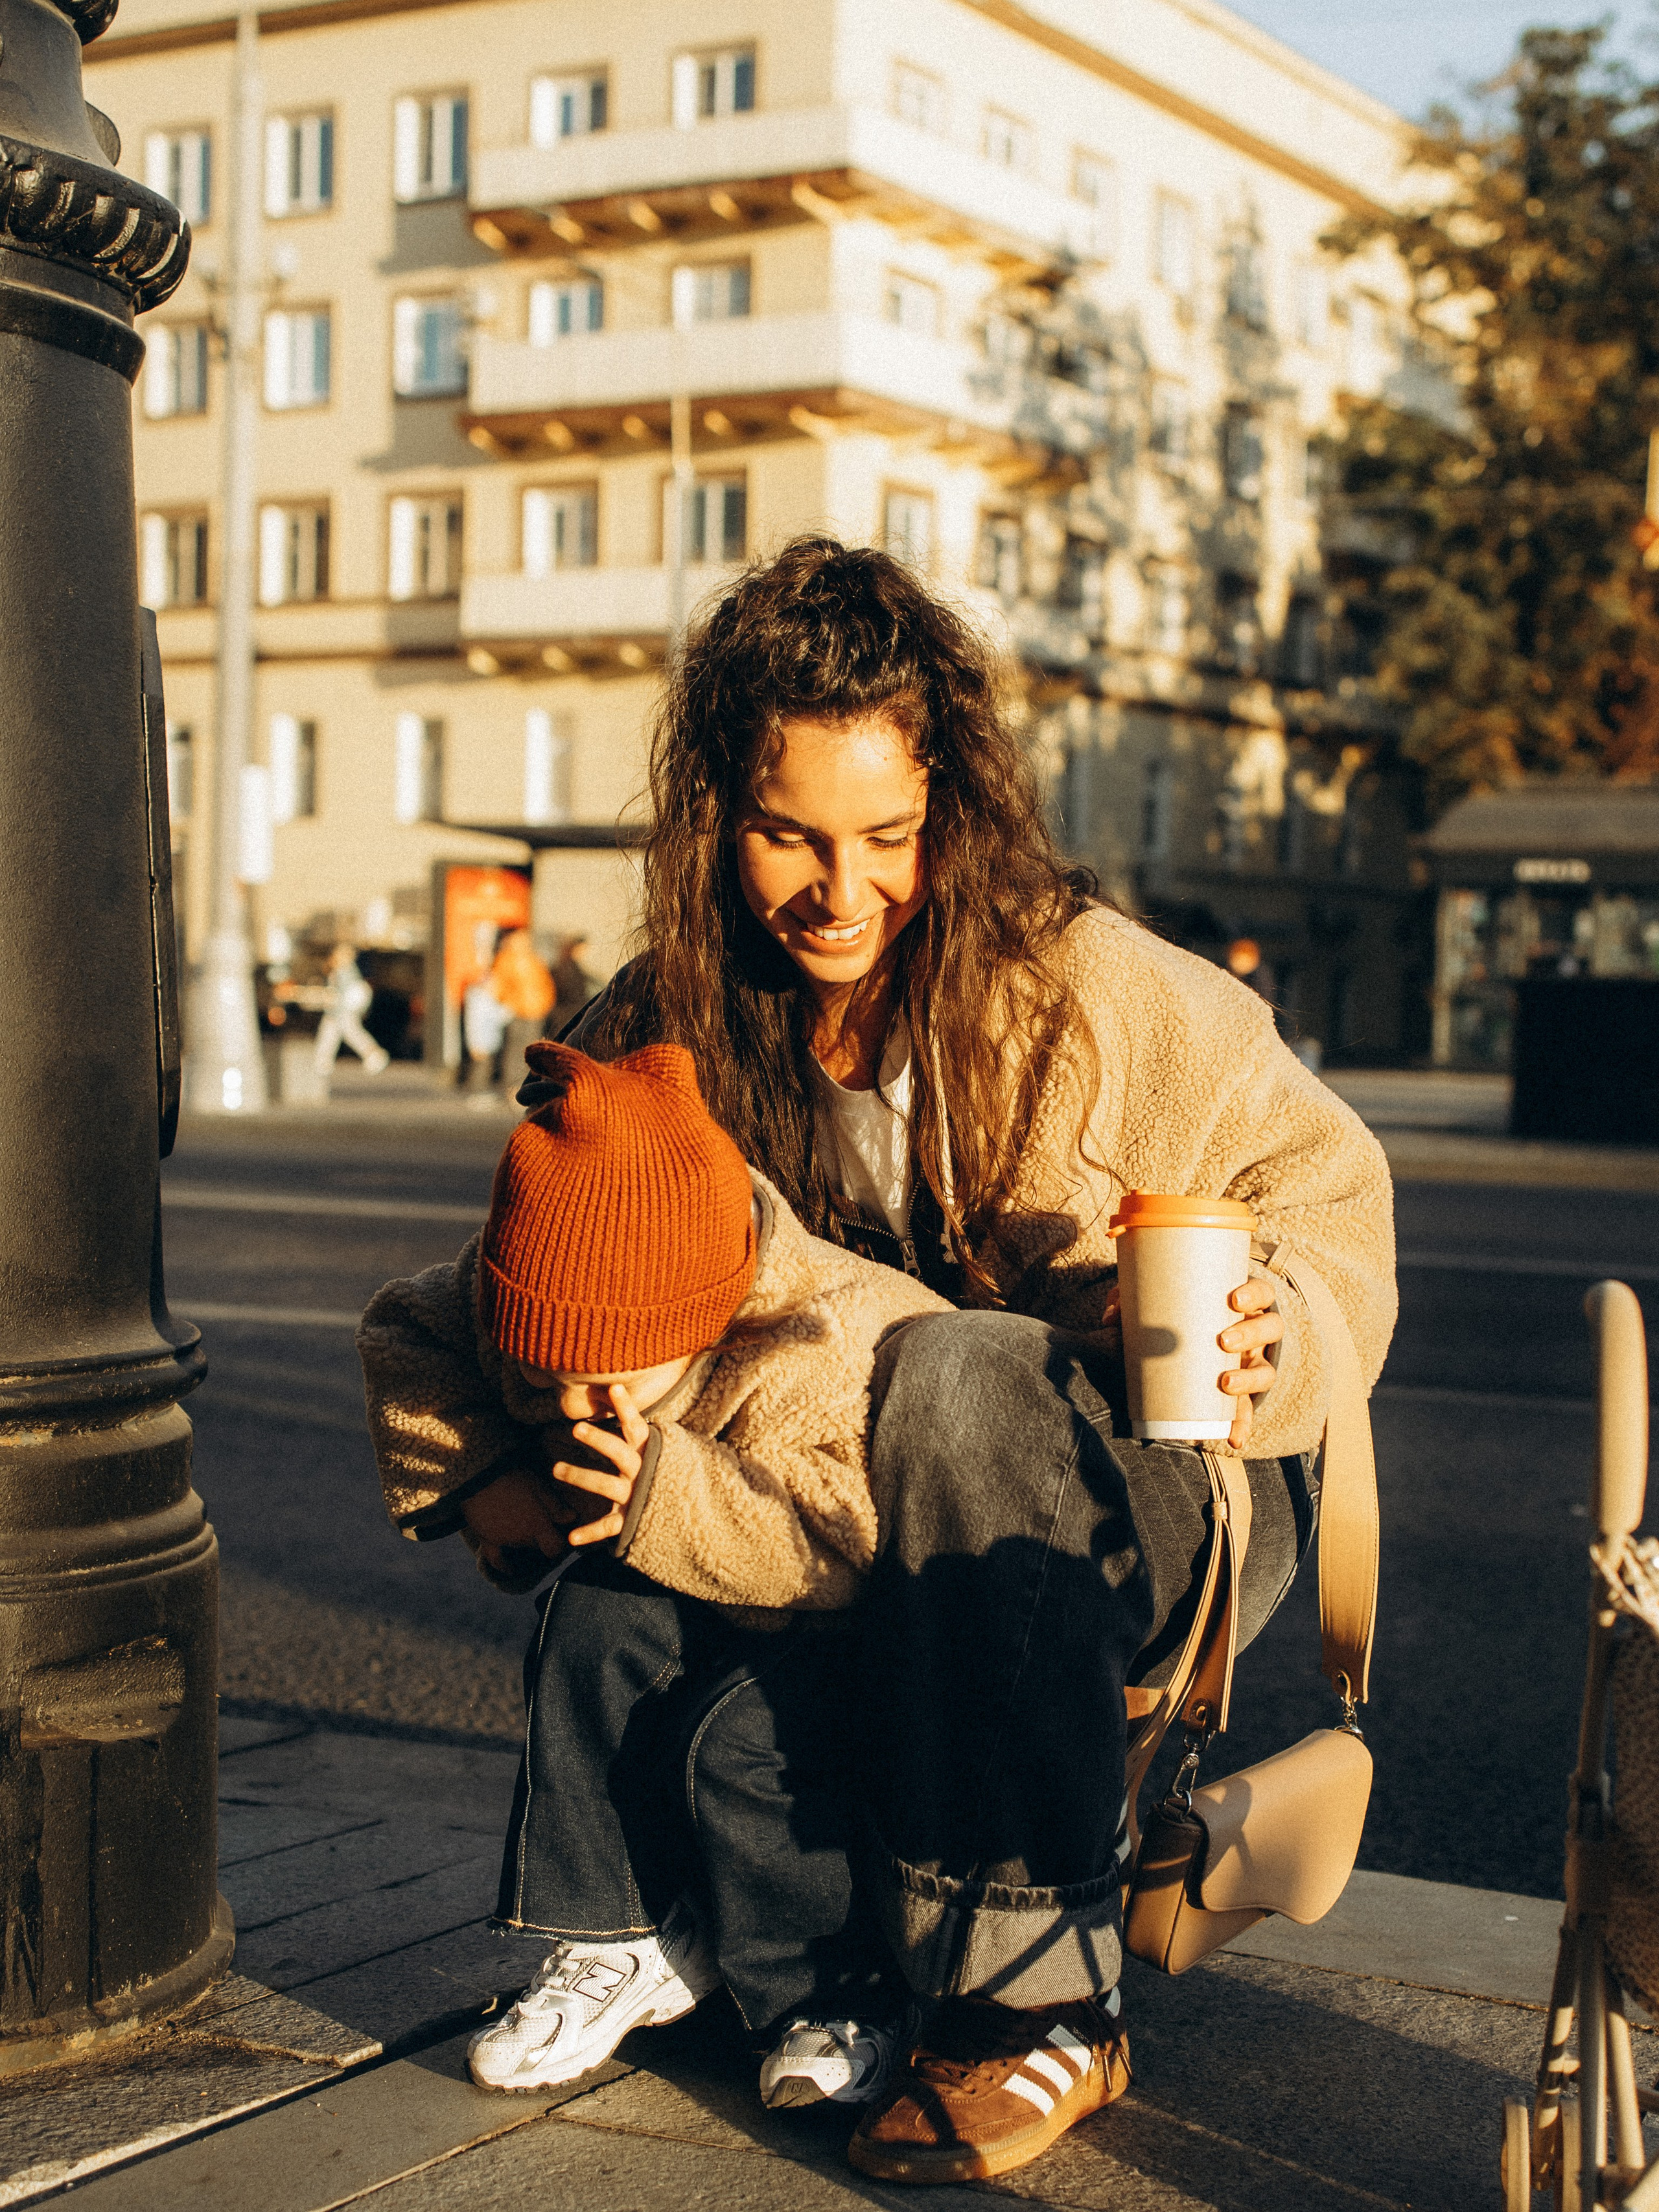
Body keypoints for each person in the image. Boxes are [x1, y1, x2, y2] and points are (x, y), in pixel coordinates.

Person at [551, 537, 1397, 2183]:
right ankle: (753, 1945)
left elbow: (1331, 1191)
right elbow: (537, 1240)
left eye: (888, 837)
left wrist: (1286, 1309)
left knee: (948, 1370)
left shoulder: (1098, 985)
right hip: (863, 1525)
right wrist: (548, 1411)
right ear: (713, 815)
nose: (839, 889)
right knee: (672, 1585)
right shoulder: (659, 1021)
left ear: (951, 815)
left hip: (1157, 1489)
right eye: (786, 834)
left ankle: (1037, 2002)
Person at [357, 1039, 952, 2110]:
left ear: (706, 1325)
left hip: (846, 1627)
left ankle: (832, 1986)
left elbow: (852, 1539)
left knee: (744, 1742)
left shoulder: (826, 1337)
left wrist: (661, 1495)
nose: (574, 1404)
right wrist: (484, 1474)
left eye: (611, 1379)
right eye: (547, 1377)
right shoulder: (524, 1289)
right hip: (677, 1575)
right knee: (590, 1622)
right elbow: (407, 1328)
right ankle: (617, 1931)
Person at [314, 942, 389, 1078]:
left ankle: (374, 1055)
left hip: (342, 1011)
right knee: (336, 1035)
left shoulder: (345, 971)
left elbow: (342, 994)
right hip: (340, 1012)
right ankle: (323, 1062)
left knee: (346, 1035)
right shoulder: (343, 971)